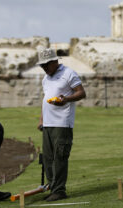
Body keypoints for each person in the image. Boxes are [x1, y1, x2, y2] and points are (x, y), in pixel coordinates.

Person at [37, 48, 86, 202]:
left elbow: (82, 93)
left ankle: (59, 190)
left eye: (46, 64)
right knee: (47, 158)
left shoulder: (68, 74)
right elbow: (46, 100)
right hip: (48, 123)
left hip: (62, 123)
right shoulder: (45, 79)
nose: (44, 68)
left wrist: (67, 99)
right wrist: (41, 120)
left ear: (55, 62)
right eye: (41, 65)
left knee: (60, 156)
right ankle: (53, 188)